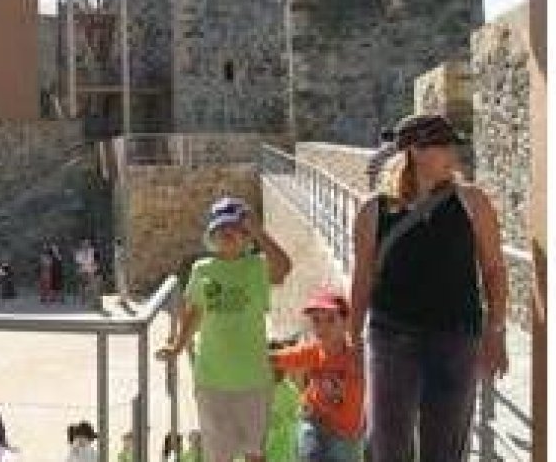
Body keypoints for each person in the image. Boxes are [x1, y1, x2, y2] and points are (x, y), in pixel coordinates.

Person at [348, 114, 510, 462]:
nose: (454, 153)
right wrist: (352, 340)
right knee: (386, 445)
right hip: (391, 337)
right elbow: (362, 280)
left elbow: (494, 270)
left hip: (456, 338)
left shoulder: (472, 202)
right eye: (445, 146)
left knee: (446, 449)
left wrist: (496, 331)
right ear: (416, 152)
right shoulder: (373, 211)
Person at [156, 196, 293, 462]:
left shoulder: (258, 265)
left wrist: (259, 232)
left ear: (246, 236)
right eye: (221, 229)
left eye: (235, 228)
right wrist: (177, 347)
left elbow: (284, 269)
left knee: (254, 454)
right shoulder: (202, 269)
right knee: (219, 456)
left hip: (253, 379)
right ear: (211, 235)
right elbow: (193, 312)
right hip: (211, 379)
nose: (227, 233)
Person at [271, 289, 364, 462]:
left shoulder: (357, 357)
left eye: (330, 320)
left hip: (347, 434)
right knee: (310, 453)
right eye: (316, 321)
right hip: (315, 422)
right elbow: (284, 357)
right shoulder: (313, 352)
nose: (322, 327)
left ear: (346, 322)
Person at [75, 239, 100, 308]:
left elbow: (96, 261)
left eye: (87, 243)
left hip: (91, 270)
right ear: (82, 244)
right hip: (83, 270)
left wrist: (95, 267)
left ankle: (92, 301)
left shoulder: (93, 251)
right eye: (84, 243)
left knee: (91, 286)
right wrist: (78, 269)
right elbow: (77, 263)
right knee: (82, 286)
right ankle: (83, 300)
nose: (86, 245)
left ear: (89, 244)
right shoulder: (79, 252)